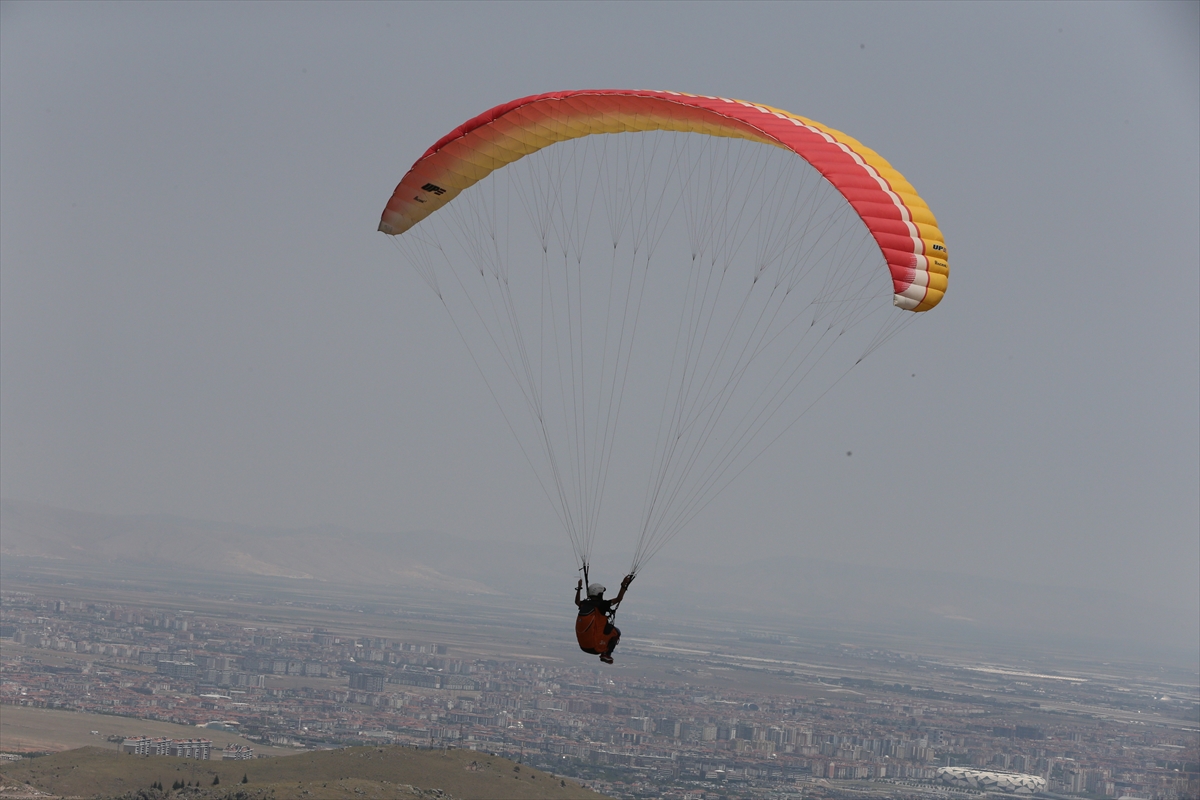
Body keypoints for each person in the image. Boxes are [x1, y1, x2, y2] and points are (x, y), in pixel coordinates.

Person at [574, 574, 633, 664]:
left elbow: (577, 602)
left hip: (584, 646)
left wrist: (579, 588)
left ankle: (605, 651)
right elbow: (618, 598)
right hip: (595, 647)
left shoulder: (584, 604)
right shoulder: (602, 605)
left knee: (608, 628)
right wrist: (624, 584)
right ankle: (606, 654)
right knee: (616, 632)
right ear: (600, 594)